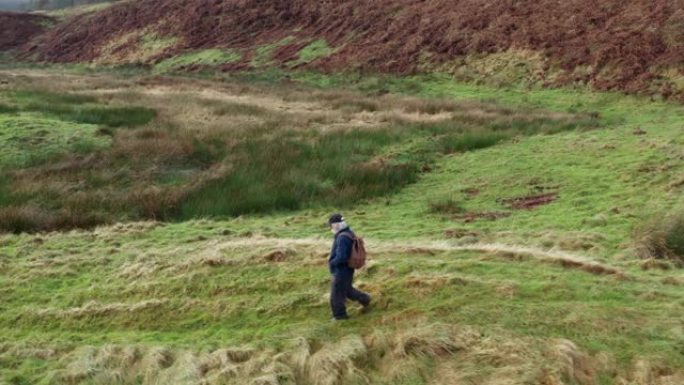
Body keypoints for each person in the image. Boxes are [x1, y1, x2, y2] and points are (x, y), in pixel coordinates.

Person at [327, 213, 371, 321]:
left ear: (336, 225)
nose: (330, 228)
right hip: (348, 269)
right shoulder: (349, 233)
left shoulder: (342, 238)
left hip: (341, 270)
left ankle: (340, 316)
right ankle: (365, 299)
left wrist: (332, 262)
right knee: (346, 290)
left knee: (336, 294)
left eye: (331, 225)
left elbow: (342, 257)